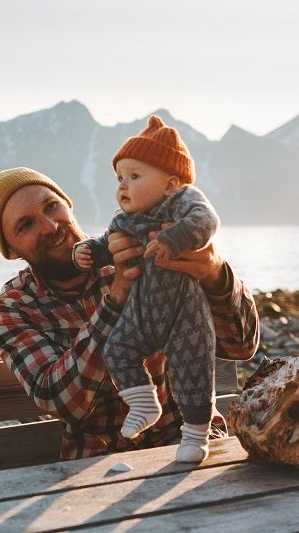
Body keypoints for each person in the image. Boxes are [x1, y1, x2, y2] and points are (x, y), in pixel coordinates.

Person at [0, 164, 259, 461]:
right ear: (10, 251)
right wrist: (117, 297)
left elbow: (241, 346)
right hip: (97, 465)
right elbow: (62, 401)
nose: (50, 226)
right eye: (26, 225)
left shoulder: (143, 244)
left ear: (68, 205)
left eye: (51, 206)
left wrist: (215, 273)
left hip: (190, 446)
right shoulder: (11, 308)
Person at [73, 115, 220, 462]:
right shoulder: (125, 220)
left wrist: (176, 238)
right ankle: (142, 403)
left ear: (171, 184)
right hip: (140, 311)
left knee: (192, 371)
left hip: (183, 313)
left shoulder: (181, 202)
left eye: (134, 177)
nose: (123, 186)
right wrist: (89, 252)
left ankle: (196, 436)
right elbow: (107, 243)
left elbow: (206, 220)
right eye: (120, 178)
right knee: (119, 348)